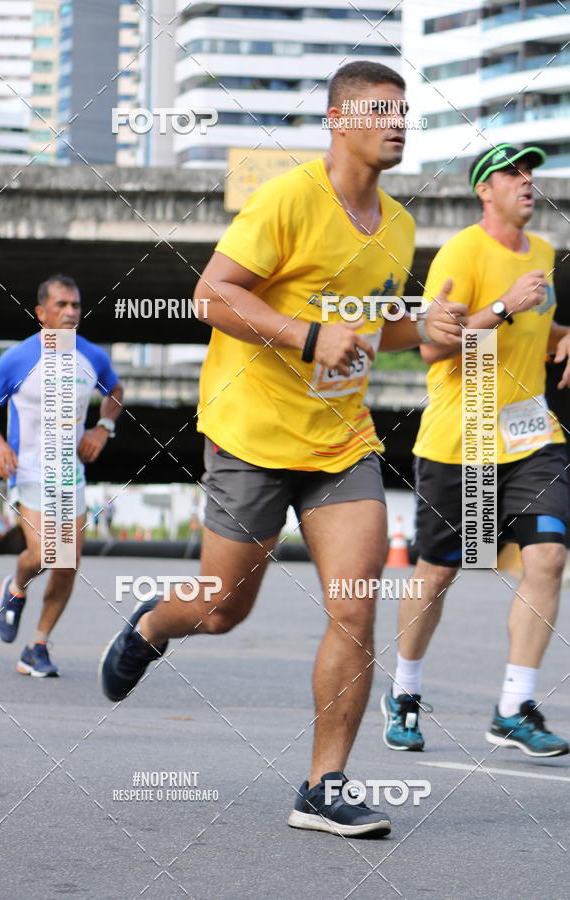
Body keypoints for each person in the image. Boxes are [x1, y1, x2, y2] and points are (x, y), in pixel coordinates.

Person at [100, 61, 465, 837]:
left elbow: (368, 327)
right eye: (380, 108)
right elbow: (210, 294)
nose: (398, 121)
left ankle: (323, 786)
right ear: (337, 120)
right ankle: (153, 626)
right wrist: (306, 336)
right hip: (251, 435)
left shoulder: (397, 227)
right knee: (223, 608)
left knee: (355, 608)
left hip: (342, 443)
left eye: (406, 111)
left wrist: (421, 330)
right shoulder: (289, 198)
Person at [383, 144, 570, 758]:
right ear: (483, 190)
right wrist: (503, 306)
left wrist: (564, 336)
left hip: (530, 438)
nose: (527, 183)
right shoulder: (462, 253)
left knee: (546, 559)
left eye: (530, 173)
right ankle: (404, 693)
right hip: (460, 442)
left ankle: (514, 708)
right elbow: (435, 347)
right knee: (437, 575)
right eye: (512, 174)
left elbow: (536, 333)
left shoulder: (543, 254)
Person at [0, 274, 124, 677]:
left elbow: (115, 392)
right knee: (44, 554)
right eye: (61, 305)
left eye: (75, 305)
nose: (71, 312)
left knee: (67, 563)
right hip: (29, 470)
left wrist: (102, 429)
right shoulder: (19, 358)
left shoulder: (92, 356)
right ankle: (15, 587)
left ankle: (37, 645)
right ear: (41, 312)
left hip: (69, 474)